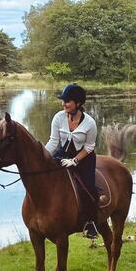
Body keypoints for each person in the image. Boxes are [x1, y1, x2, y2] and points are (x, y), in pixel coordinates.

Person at [45, 83, 99, 238]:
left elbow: (89, 147)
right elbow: (53, 142)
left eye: (67, 101)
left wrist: (75, 161)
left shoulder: (90, 123)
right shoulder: (58, 117)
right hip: (62, 155)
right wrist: (43, 156)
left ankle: (91, 224)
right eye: (63, 100)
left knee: (89, 188)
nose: (63, 104)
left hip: (84, 158)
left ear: (78, 103)